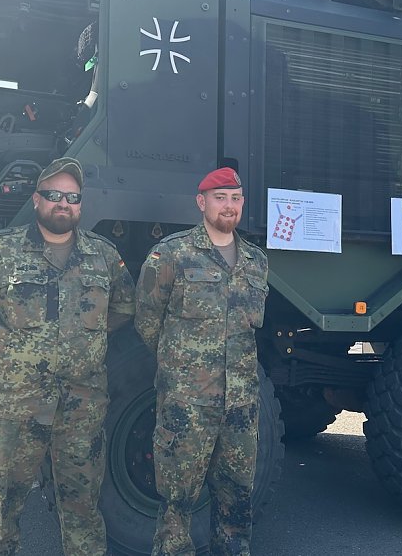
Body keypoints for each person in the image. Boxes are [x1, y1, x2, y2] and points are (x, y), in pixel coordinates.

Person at [0, 157, 135, 556]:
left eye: (72, 197)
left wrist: (86, 340)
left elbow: (124, 308)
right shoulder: (0, 248)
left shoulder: (103, 255)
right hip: (14, 404)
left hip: (81, 407)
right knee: (0, 511)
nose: (63, 203)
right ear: (36, 199)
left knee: (82, 511)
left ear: (80, 204)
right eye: (53, 195)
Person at [135, 167, 269, 556]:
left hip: (240, 405)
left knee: (236, 499)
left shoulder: (256, 262)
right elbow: (147, 318)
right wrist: (180, 368)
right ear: (202, 202)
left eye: (235, 198)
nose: (228, 206)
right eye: (220, 197)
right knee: (177, 501)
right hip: (187, 404)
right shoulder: (172, 253)